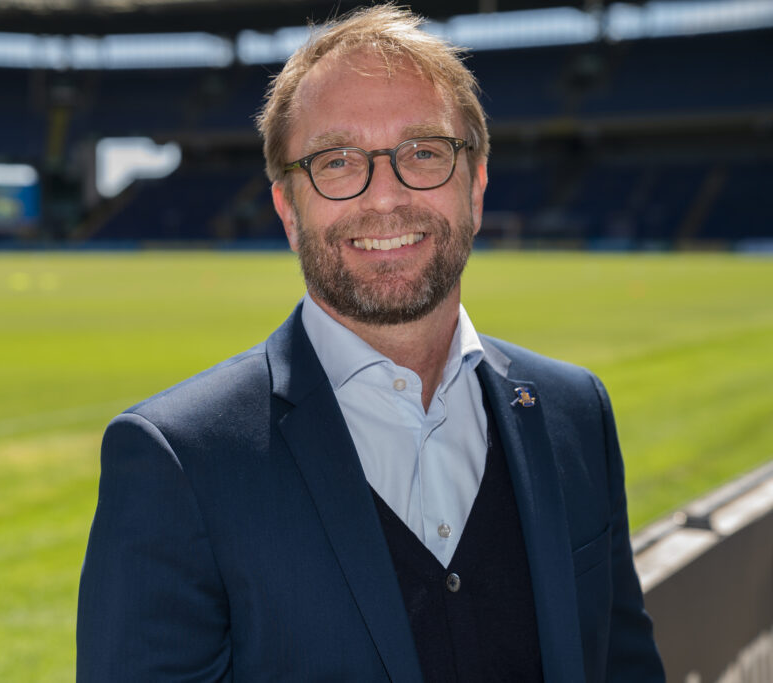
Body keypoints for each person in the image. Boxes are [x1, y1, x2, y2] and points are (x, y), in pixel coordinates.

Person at [77, 6, 664, 682]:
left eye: (423, 151)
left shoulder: (574, 413)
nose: (384, 196)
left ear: (474, 186)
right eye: (337, 160)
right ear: (288, 211)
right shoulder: (178, 460)